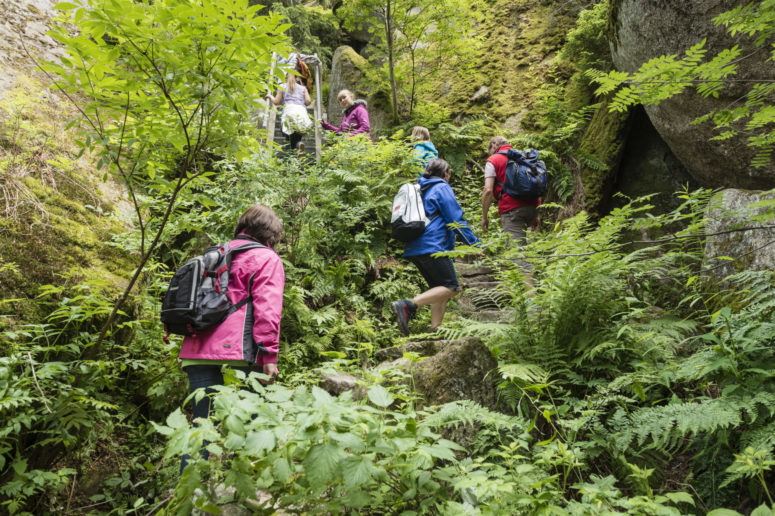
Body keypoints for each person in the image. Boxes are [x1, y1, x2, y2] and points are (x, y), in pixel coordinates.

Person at [177, 204, 284, 471]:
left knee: (201, 423)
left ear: (243, 227)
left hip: (196, 347)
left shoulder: (215, 252)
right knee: (252, 417)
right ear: (270, 234)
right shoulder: (267, 258)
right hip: (240, 350)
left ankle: (187, 494)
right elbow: (268, 310)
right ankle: (244, 487)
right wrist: (269, 355)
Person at [391, 159, 480, 335]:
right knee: (452, 287)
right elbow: (455, 219)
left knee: (439, 290)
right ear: (445, 173)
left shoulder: (420, 189)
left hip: (415, 247)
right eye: (449, 174)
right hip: (432, 246)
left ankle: (435, 332)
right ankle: (408, 304)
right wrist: (475, 245)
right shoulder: (441, 187)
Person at [481, 136, 541, 286]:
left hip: (511, 210)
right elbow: (535, 184)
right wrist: (536, 212)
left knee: (518, 255)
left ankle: (531, 301)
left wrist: (484, 216)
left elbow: (488, 190)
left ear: (494, 145)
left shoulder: (494, 160)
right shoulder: (523, 158)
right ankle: (529, 291)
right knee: (528, 250)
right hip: (532, 207)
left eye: (490, 149)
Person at [268, 73, 313, 152]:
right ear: (297, 78)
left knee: (288, 138)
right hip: (301, 112)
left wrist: (269, 96)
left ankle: (290, 160)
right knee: (298, 134)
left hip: (289, 111)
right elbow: (308, 101)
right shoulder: (303, 88)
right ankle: (299, 145)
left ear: (285, 78)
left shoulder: (283, 86)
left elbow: (276, 102)